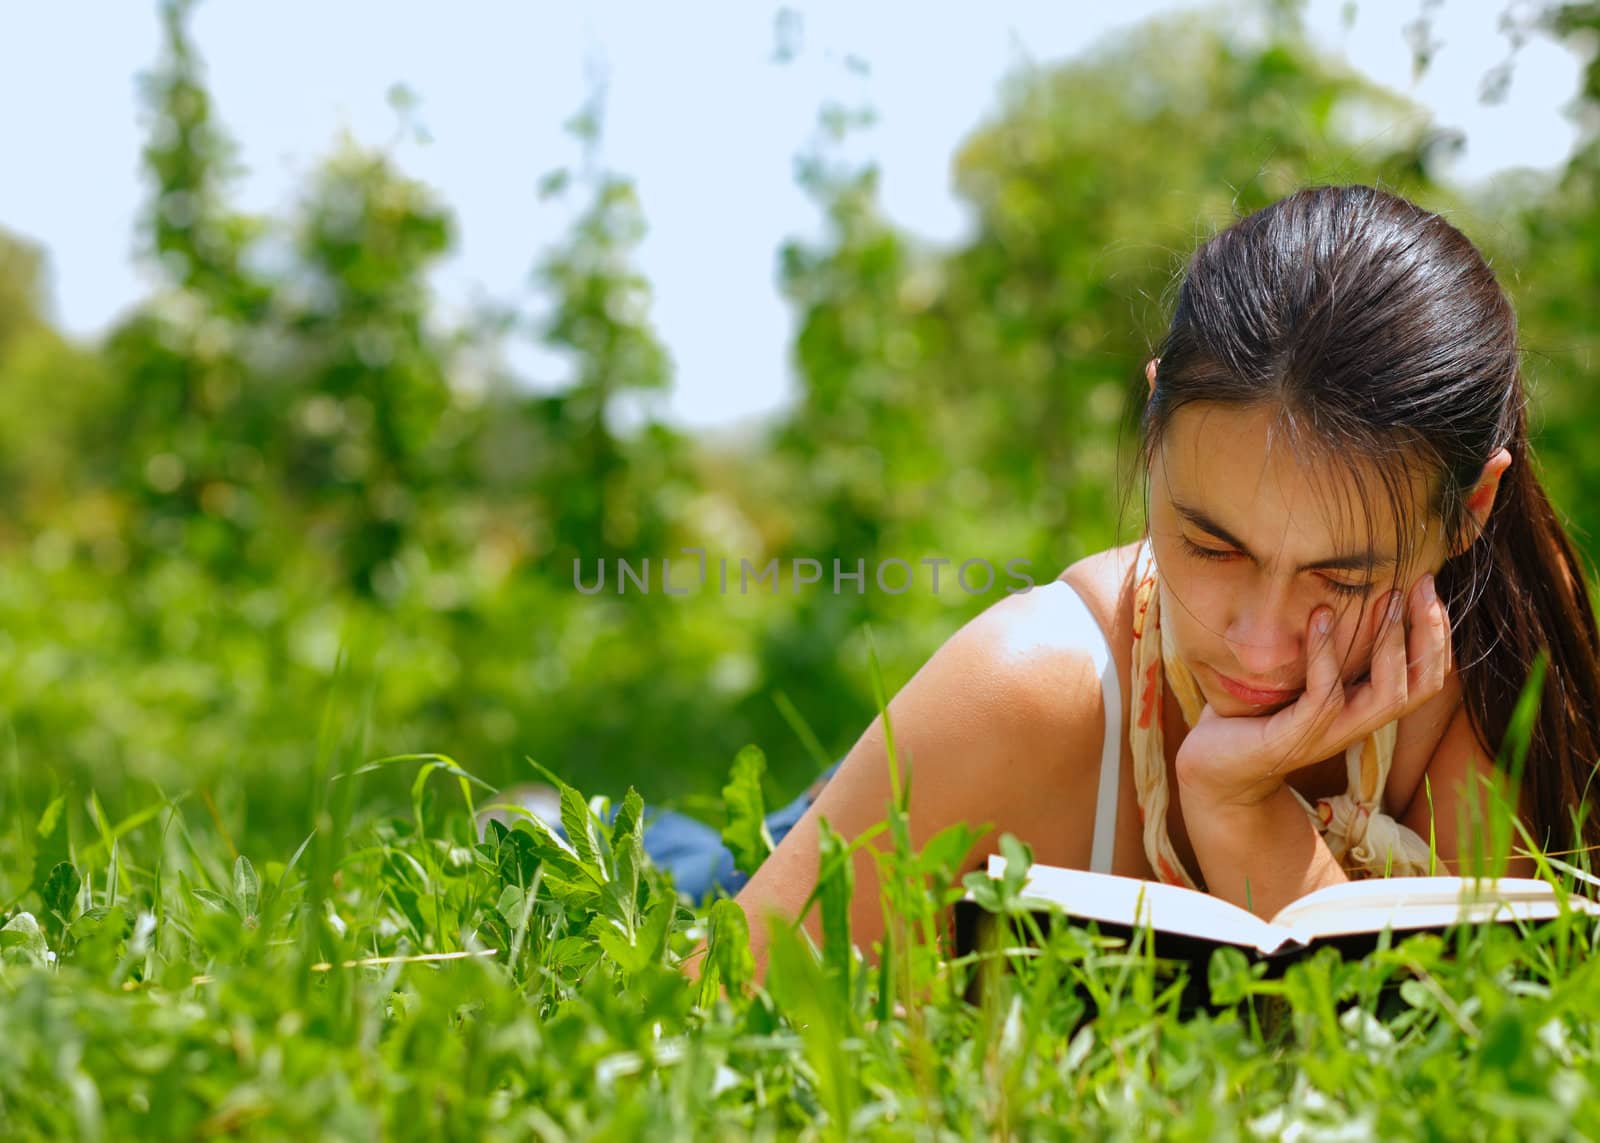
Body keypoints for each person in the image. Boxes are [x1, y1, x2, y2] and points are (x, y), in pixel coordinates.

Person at [522, 184, 1600, 985]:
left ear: (1467, 514)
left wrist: (1238, 810)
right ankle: (545, 818)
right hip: (817, 838)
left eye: (1342, 575)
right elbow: (714, 1006)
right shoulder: (1021, 688)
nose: (1263, 643)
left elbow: (1449, 1039)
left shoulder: (1503, 639)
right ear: (1152, 425)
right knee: (677, 859)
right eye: (1210, 545)